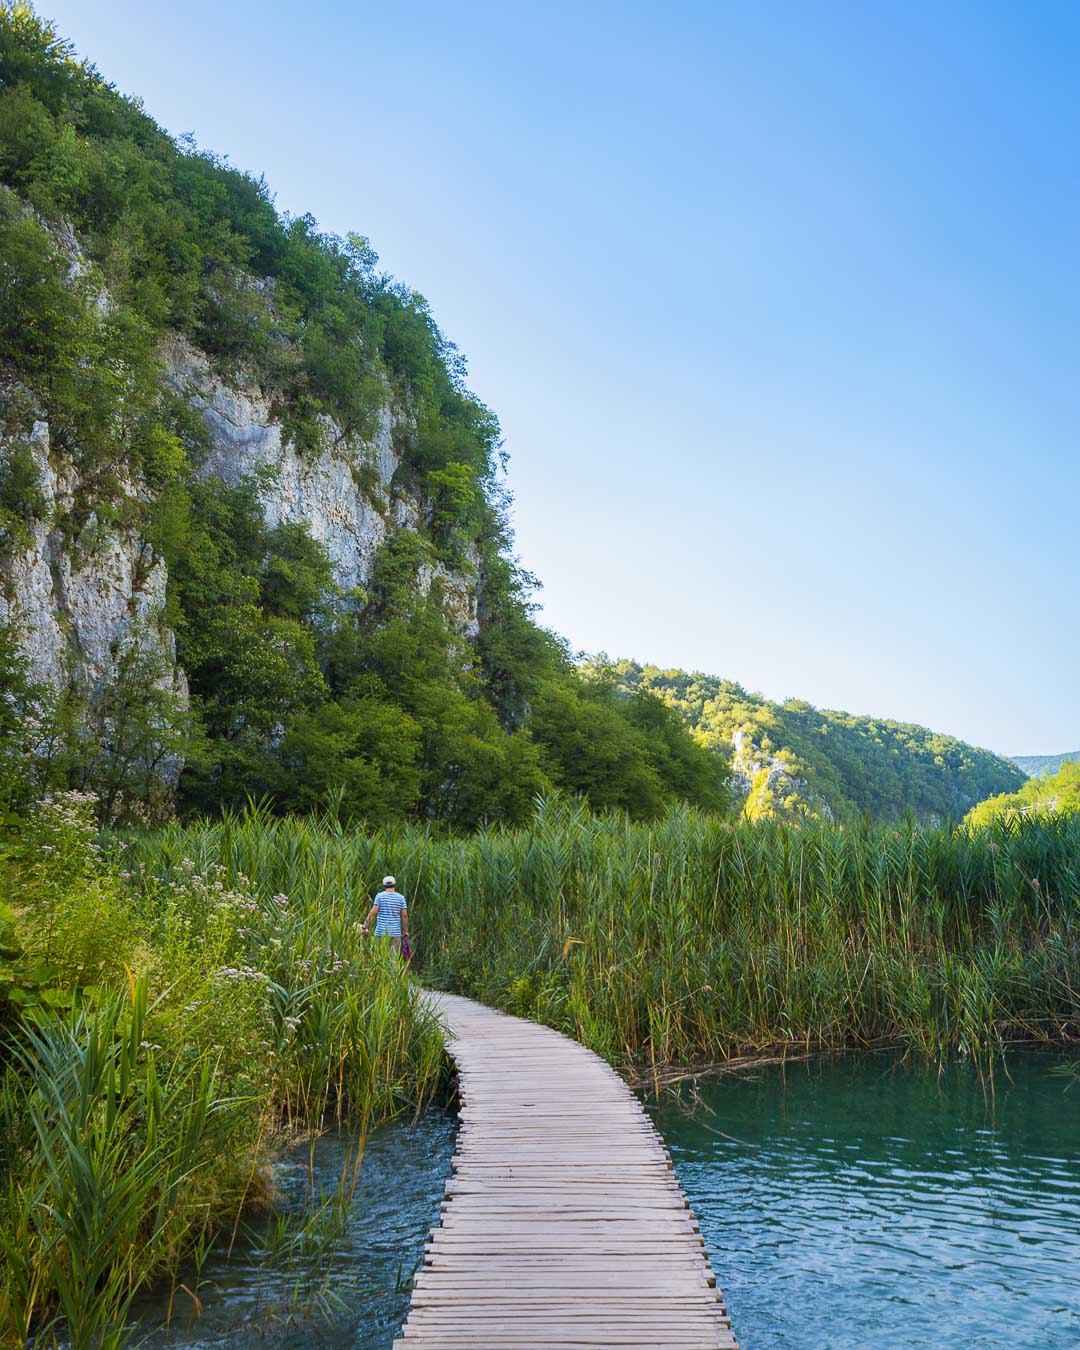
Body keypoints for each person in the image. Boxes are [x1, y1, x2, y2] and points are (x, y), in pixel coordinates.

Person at [359, 875, 409, 956]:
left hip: (381, 933)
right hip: (395, 933)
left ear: (384, 885)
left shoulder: (380, 896)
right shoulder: (401, 898)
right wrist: (405, 931)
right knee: (392, 960)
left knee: (379, 957)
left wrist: (365, 927)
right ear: (394, 885)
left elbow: (373, 913)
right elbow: (404, 916)